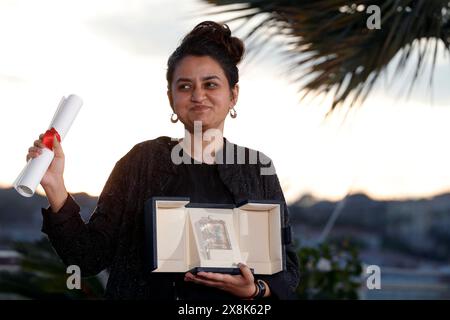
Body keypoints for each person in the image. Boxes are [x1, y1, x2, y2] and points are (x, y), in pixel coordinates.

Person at [26, 21, 299, 300]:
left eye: (210, 84)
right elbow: (88, 258)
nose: (197, 95)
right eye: (184, 86)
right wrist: (55, 186)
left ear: (233, 95)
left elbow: (286, 272)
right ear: (171, 97)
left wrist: (256, 290)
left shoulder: (256, 169)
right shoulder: (140, 163)